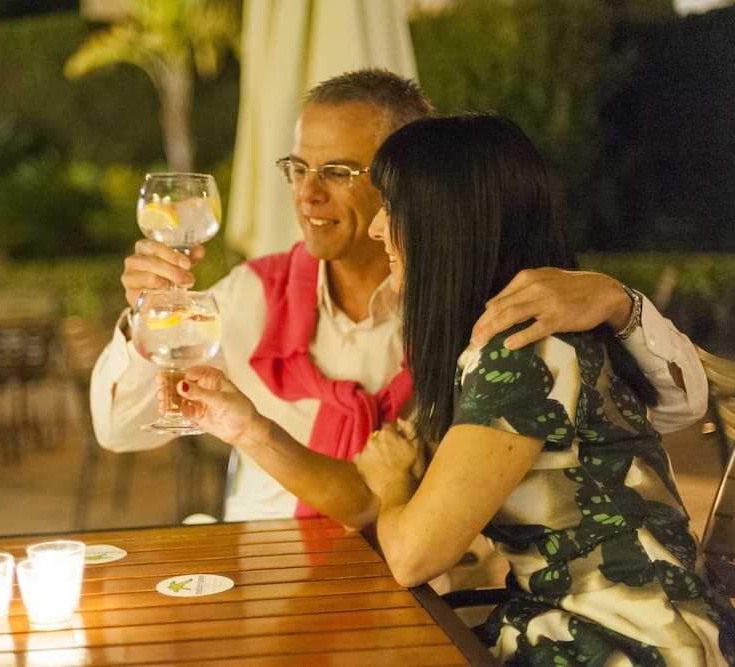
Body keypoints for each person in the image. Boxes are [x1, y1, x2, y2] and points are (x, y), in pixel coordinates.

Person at [174, 112, 734, 664]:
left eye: (393, 208)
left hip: (632, 644)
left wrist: (395, 488)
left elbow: (412, 555)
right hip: (589, 631)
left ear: (447, 222)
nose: (377, 228)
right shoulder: (494, 347)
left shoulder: (525, 352)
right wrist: (248, 428)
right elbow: (365, 499)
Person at [90, 68, 707, 530]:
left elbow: (677, 408)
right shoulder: (250, 295)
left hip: (425, 581)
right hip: (268, 558)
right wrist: (146, 323)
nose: (307, 195)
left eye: (338, 172)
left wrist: (620, 305)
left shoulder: (476, 304)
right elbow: (120, 431)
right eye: (298, 168)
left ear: (404, 181)